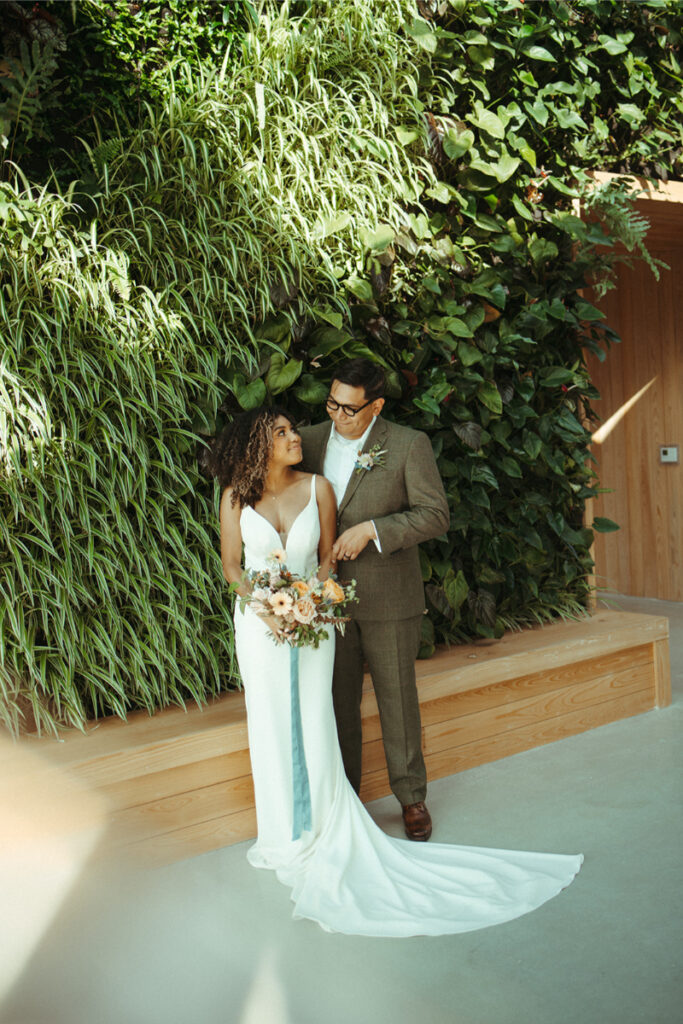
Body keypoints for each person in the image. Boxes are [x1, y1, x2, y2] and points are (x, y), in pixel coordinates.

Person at [210, 405, 582, 937]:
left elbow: (326, 559)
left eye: (295, 429)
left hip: (314, 621)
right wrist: (267, 609)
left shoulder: (319, 488)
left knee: (315, 718)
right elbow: (231, 566)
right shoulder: (233, 496)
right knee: (267, 722)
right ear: (256, 444)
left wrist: (310, 603)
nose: (298, 436)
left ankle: (327, 823)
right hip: (259, 628)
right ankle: (282, 834)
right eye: (284, 432)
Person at [299, 358, 448, 841]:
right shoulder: (310, 441)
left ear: (376, 405)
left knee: (398, 699)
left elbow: (434, 515)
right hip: (328, 601)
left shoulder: (408, 444)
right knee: (337, 702)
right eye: (332, 403)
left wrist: (374, 530)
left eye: (349, 408)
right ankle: (345, 800)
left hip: (389, 597)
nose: (337, 416)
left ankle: (412, 799)